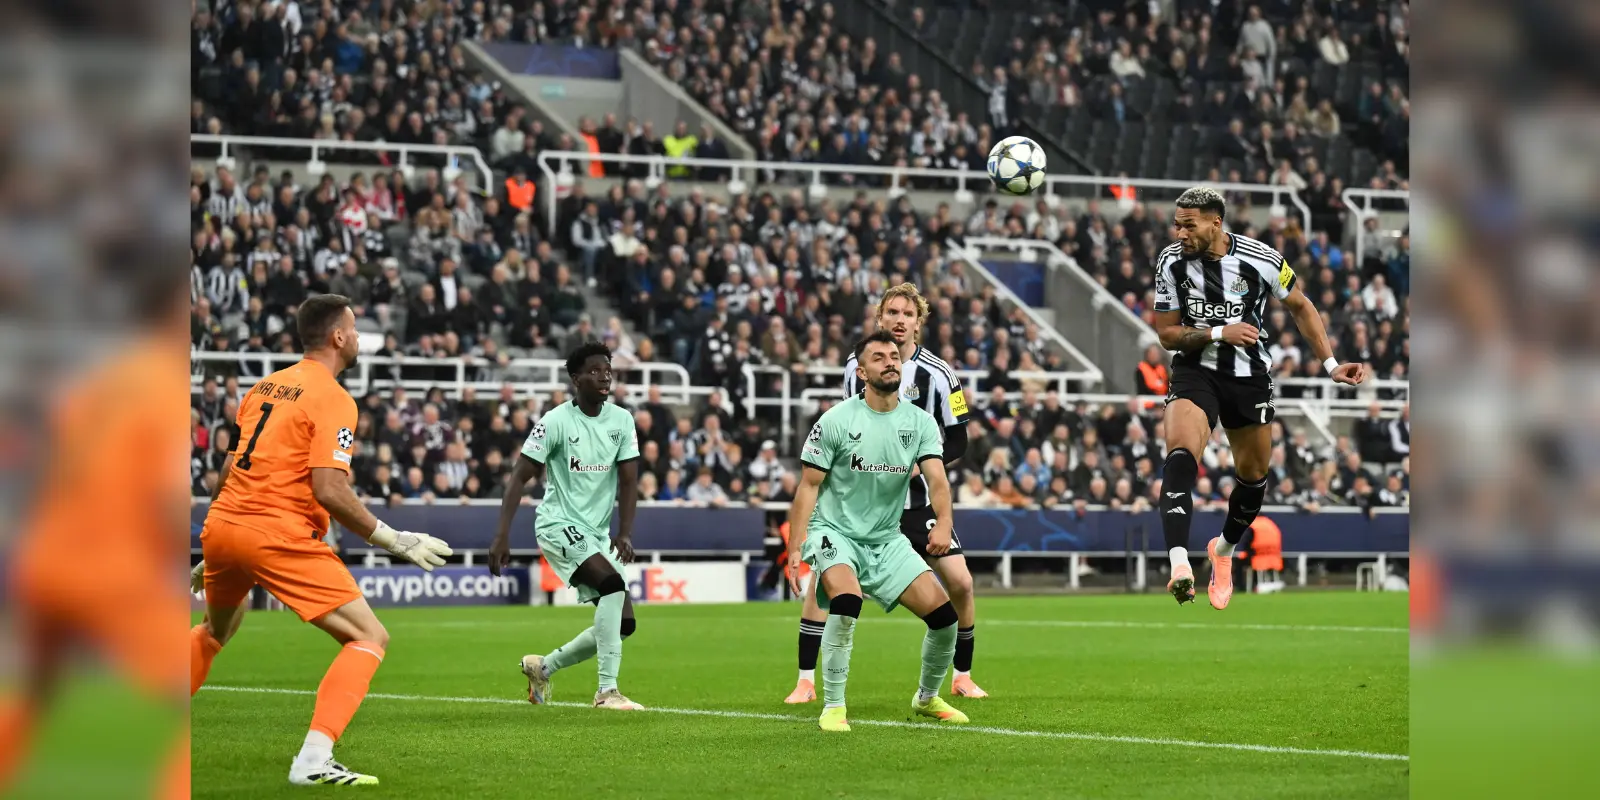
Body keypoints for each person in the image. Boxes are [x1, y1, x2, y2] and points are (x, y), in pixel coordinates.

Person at [193, 294, 454, 786]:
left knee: (213, 631)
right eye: (353, 330)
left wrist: (217, 544)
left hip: (224, 525)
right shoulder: (334, 398)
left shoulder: (264, 386)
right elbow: (329, 489)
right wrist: (394, 539)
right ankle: (313, 760)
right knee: (369, 637)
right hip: (277, 532)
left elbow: (228, 471)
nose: (357, 339)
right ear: (337, 336)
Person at [0, 274, 191, 798]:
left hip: (44, 558)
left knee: (33, 692)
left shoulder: (102, 379)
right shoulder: (165, 384)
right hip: (110, 569)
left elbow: (51, 461)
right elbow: (169, 499)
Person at [1152, 187, 1367, 609]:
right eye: (1176, 224)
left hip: (1249, 378)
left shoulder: (1262, 258)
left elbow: (1300, 306)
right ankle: (1179, 564)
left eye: (1188, 225)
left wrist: (1330, 364)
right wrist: (1220, 332)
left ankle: (1223, 551)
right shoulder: (1170, 261)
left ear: (1216, 223)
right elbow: (1167, 333)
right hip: (1195, 370)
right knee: (1180, 455)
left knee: (1252, 480)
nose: (1180, 233)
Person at [784, 282, 987, 704]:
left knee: (961, 583)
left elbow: (960, 439)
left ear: (918, 322)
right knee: (826, 582)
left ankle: (961, 675)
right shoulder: (856, 365)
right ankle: (805, 680)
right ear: (880, 318)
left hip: (916, 502)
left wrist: (920, 463)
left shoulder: (940, 374)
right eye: (891, 312)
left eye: (907, 314)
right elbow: (850, 423)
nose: (899, 320)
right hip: (860, 501)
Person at [488, 341, 646, 711]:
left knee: (623, 624)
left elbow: (629, 481)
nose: (604, 377)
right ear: (576, 379)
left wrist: (624, 532)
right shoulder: (556, 421)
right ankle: (607, 692)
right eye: (594, 371)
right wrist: (501, 534)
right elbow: (519, 476)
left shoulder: (622, 421)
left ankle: (543, 667)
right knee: (611, 585)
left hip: (596, 533)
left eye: (607, 370)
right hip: (558, 524)